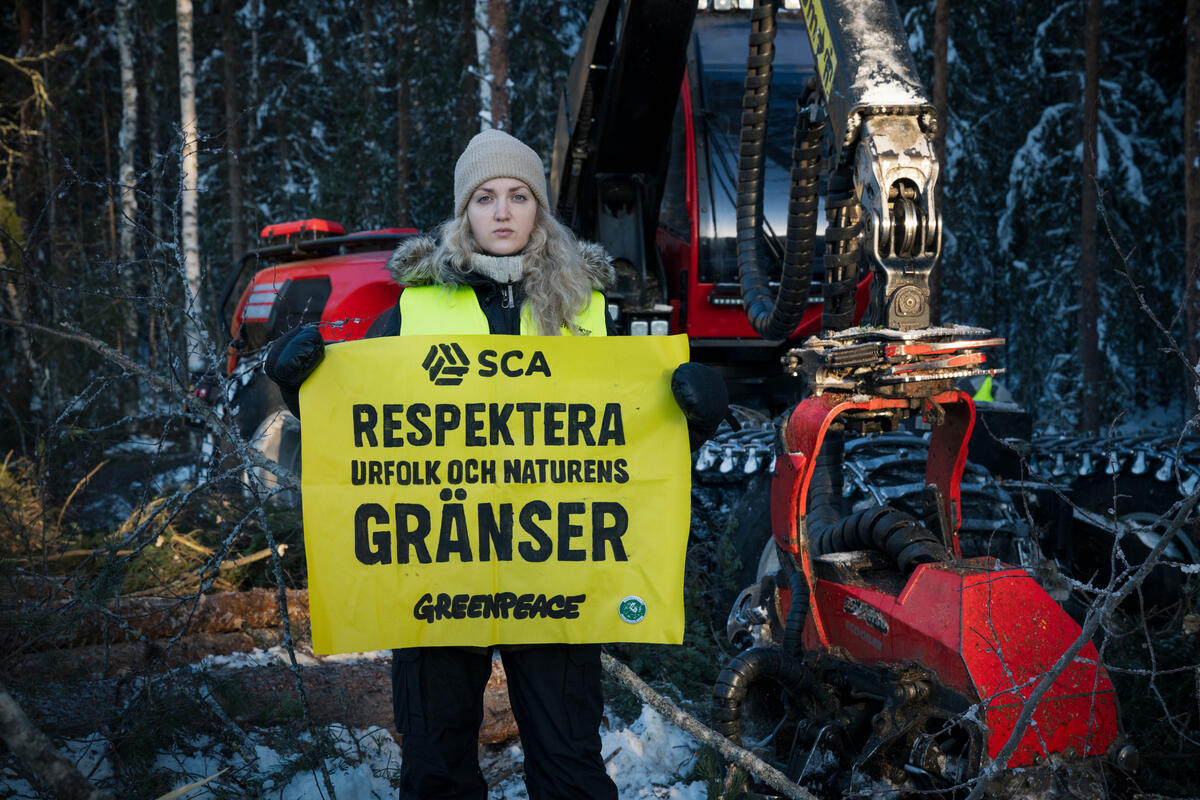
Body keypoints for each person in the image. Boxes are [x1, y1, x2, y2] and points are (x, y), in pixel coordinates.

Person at [266, 129, 727, 799]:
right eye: (485, 197)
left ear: (540, 209)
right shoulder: (410, 314)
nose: (503, 211)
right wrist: (299, 387)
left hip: (557, 578)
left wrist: (697, 417)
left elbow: (634, 452)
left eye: (518, 195)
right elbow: (362, 434)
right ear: (465, 213)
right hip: (435, 574)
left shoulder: (589, 315)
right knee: (436, 771)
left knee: (570, 768)